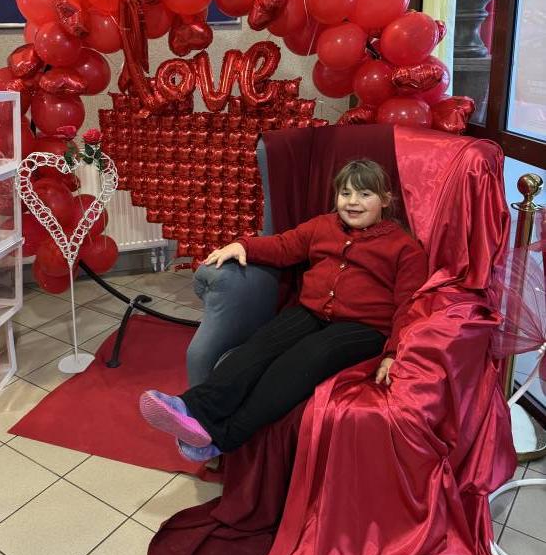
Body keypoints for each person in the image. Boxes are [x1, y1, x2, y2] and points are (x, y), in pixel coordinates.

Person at [139, 159, 429, 461]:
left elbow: (409, 306)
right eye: (345, 193)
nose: (353, 202)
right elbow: (283, 246)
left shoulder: (404, 248)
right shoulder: (323, 225)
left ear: (385, 200)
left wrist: (394, 353)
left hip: (363, 327)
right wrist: (244, 246)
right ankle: (191, 408)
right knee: (257, 348)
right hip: (310, 312)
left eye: (365, 194)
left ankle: (221, 438)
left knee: (303, 360)